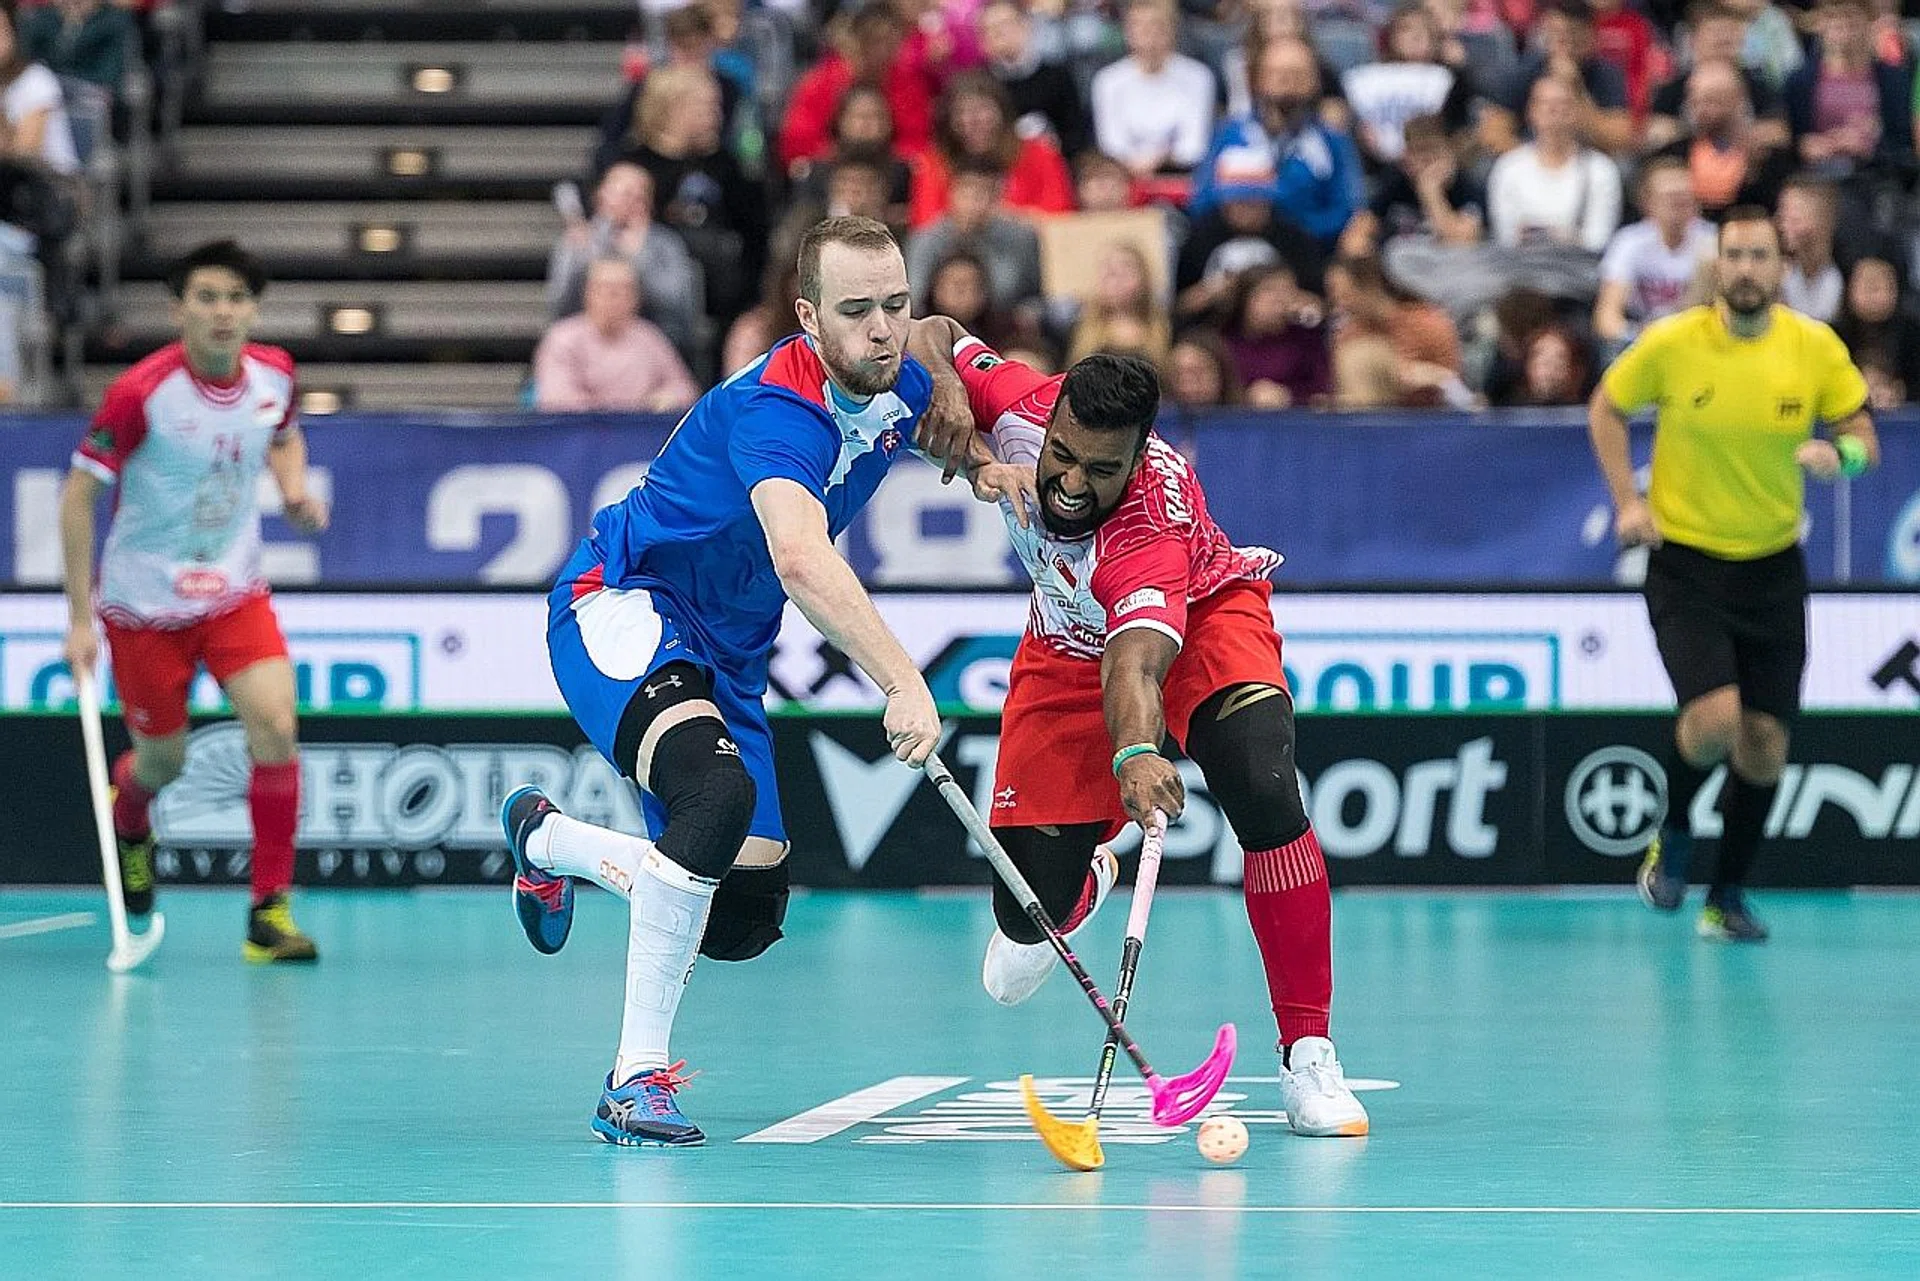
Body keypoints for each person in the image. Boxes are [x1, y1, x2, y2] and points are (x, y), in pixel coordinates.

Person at [496, 217, 1029, 1146]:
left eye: (894, 304)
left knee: (742, 918)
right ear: (807, 317)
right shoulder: (776, 410)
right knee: (717, 793)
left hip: (730, 653)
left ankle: (550, 842)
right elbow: (801, 558)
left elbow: (938, 345)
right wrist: (904, 679)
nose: (883, 328)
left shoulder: (894, 364)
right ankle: (633, 1081)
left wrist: (976, 457)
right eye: (856, 311)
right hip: (625, 603)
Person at [907, 324, 1371, 1138]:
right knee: (1023, 925)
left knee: (1263, 783)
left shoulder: (1147, 528)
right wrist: (945, 382)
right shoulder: (1019, 400)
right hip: (1059, 643)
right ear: (1050, 423)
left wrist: (1133, 752)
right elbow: (927, 331)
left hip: (1196, 622)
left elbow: (1136, 668)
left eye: (1102, 470)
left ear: (1138, 454)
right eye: (1063, 457)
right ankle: (1085, 874)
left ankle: (1309, 1055)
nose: (1073, 483)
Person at [1588, 206, 1879, 942]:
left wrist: (1837, 457)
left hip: (1774, 567)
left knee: (1765, 742)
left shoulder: (1815, 348)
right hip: (1686, 562)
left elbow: (1862, 436)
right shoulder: (1674, 343)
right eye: (1734, 255)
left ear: (1782, 266)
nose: (1746, 268)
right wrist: (1628, 500)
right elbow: (1607, 408)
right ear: (1716, 265)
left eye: (1760, 256)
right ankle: (1675, 830)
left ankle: (1728, 896)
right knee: (1716, 718)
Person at [58, 240, 328, 963]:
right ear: (179, 308)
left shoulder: (275, 375)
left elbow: (285, 433)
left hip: (233, 590)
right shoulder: (141, 393)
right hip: (144, 605)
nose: (222, 311)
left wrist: (295, 489)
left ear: (253, 310)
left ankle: (269, 913)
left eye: (236, 298)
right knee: (162, 764)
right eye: (206, 297)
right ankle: (132, 817)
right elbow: (78, 497)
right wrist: (79, 619)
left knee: (276, 723)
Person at [1192, 36, 1364, 248]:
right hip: (1233, 248)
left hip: (1309, 252)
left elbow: (1348, 208)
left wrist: (1295, 230)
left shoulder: (1332, 141)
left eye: (1298, 74)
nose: (1288, 83)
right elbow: (1202, 201)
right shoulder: (1230, 133)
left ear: (1315, 81)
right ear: (1258, 79)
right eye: (1278, 73)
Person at [533, 257, 701, 413]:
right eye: (605, 289)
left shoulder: (649, 337)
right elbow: (557, 399)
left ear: (636, 297)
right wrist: (609, 413)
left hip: (639, 434)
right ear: (588, 293)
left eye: (623, 290)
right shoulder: (562, 338)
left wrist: (667, 398)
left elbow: (685, 389)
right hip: (581, 436)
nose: (613, 298)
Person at [1593, 158, 1717, 353]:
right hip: (1640, 339)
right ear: (1648, 202)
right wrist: (1637, 335)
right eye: (1669, 198)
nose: (1677, 206)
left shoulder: (1713, 242)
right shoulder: (1629, 242)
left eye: (1683, 198)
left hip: (1696, 340)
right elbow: (1606, 317)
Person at [1088, 0, 1217, 178]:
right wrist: (1137, 164)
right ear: (1127, 30)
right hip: (1125, 177)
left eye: (1157, 26)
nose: (1149, 35)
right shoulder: (1107, 81)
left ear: (1173, 30)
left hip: (1181, 175)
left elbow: (1193, 146)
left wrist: (1160, 160)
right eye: (1140, 26)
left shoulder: (1199, 77)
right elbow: (1111, 145)